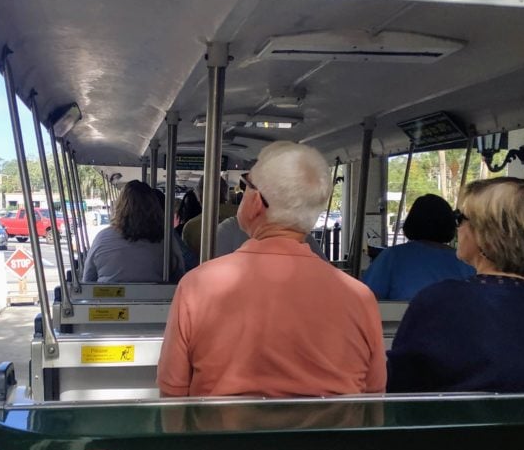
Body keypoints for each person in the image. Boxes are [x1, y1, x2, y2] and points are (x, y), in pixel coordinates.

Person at [158, 141, 386, 397]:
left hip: (221, 435)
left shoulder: (196, 287)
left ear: (256, 202)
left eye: (246, 186)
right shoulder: (360, 298)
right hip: (330, 437)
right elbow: (373, 396)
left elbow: (173, 394)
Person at [386, 177, 524, 393]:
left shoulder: (439, 302)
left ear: (484, 233)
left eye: (460, 218)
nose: (457, 227)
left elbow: (402, 386)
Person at [361, 193, 475, 300]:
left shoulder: (392, 257)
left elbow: (367, 298)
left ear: (411, 222)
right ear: (449, 224)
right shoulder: (464, 260)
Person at [81, 180, 185, 282]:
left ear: (119, 206)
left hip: (110, 298)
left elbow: (88, 280)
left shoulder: (102, 238)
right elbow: (179, 276)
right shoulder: (166, 239)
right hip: (155, 298)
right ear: (155, 207)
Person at [181, 177, 237, 257]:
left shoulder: (191, 227)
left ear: (200, 195)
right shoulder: (242, 216)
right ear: (226, 193)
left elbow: (189, 261)